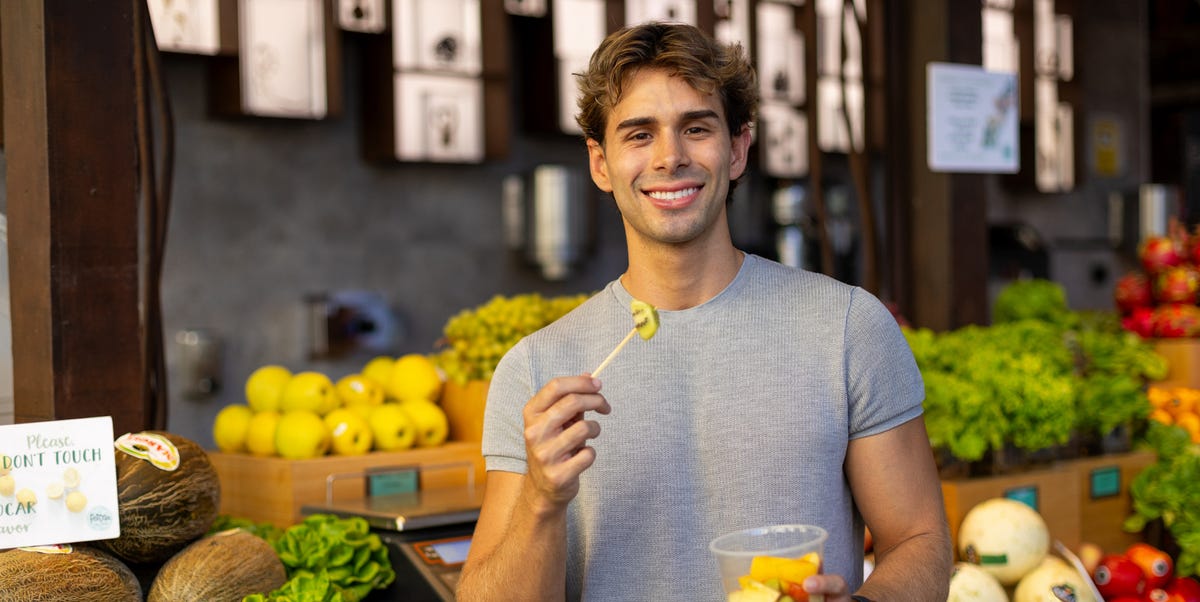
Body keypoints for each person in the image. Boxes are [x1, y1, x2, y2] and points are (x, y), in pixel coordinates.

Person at [456, 21, 951, 602]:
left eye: (695, 128)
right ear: (600, 164)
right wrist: (540, 502)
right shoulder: (538, 370)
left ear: (738, 148)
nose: (670, 158)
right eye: (639, 135)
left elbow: (920, 541)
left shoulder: (847, 328)